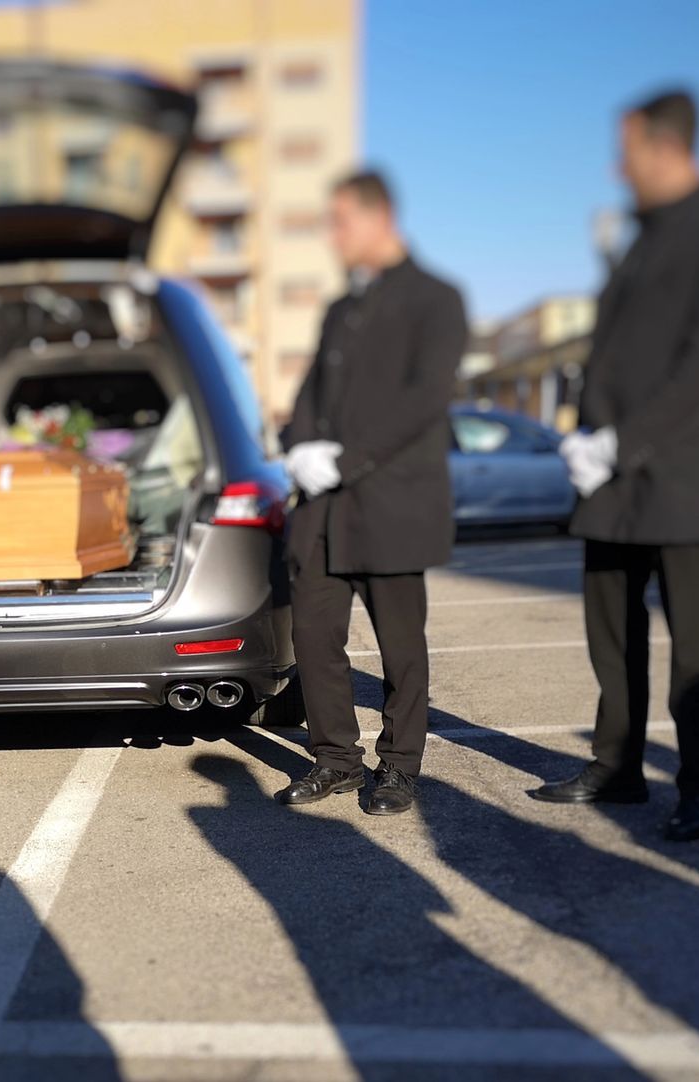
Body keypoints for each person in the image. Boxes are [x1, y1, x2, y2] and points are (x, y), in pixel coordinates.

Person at [530, 89, 699, 843]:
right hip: (613, 477)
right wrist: (583, 432)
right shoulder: (640, 240)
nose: (617, 166)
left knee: (694, 640)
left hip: (682, 474)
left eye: (625, 150)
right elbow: (617, 354)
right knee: (612, 627)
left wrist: (619, 441)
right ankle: (618, 764)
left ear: (665, 149)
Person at [276, 171, 468, 815]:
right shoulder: (341, 309)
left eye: (340, 222)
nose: (333, 236)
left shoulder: (436, 298)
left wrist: (349, 459)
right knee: (314, 634)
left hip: (390, 501)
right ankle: (333, 760)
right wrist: (299, 444)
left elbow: (426, 398)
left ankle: (399, 767)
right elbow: (310, 394)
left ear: (379, 216)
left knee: (400, 645)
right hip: (324, 508)